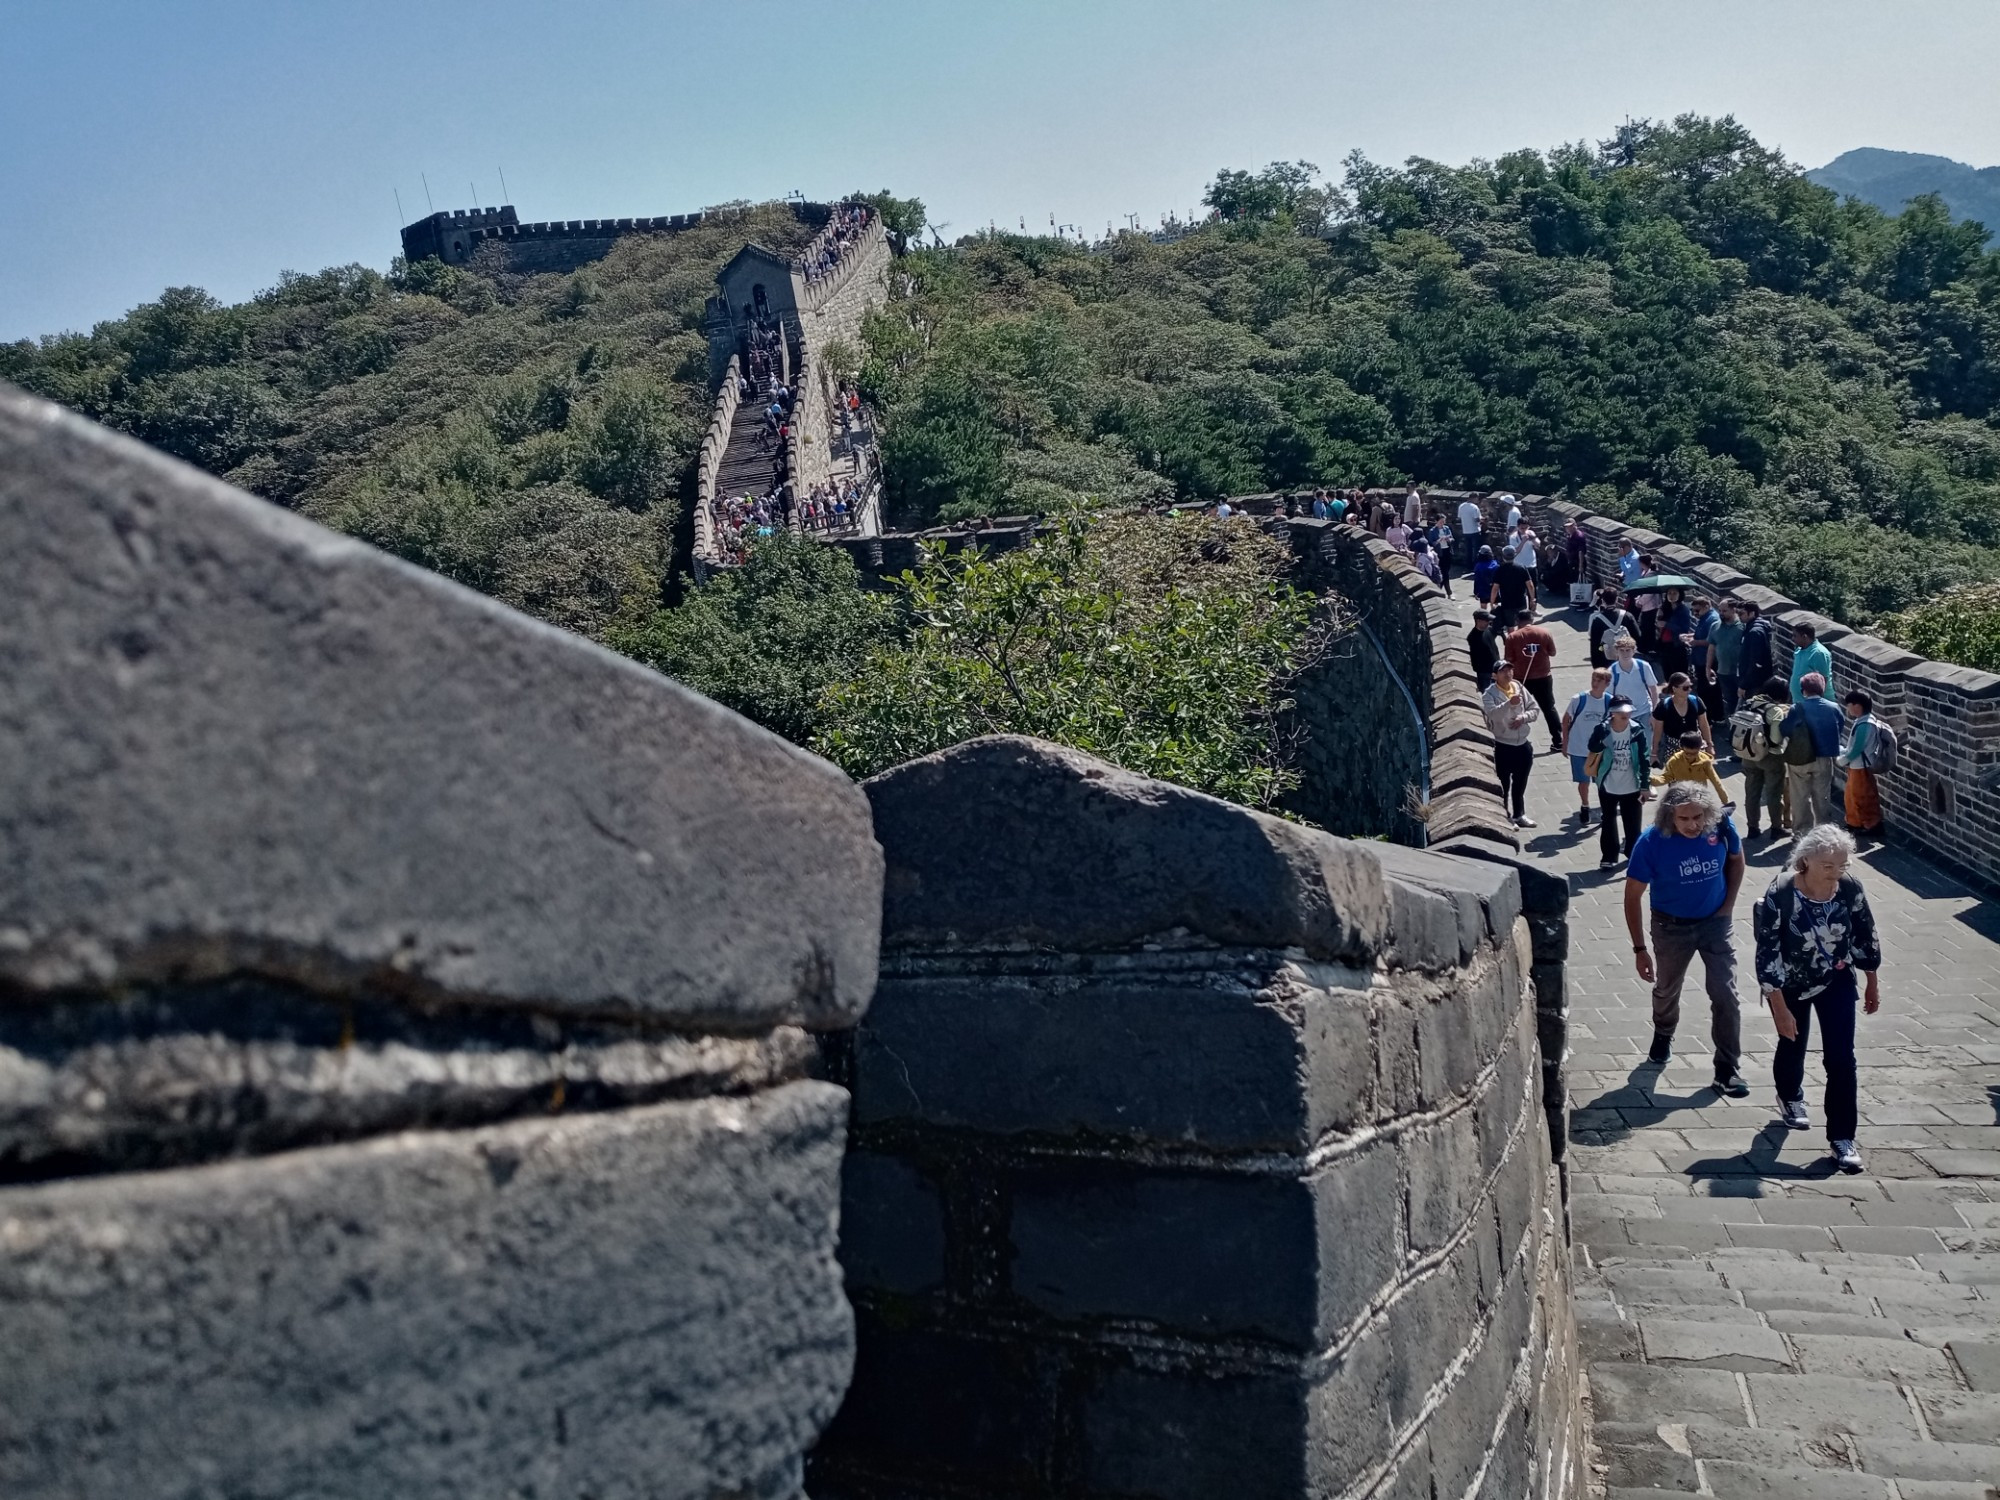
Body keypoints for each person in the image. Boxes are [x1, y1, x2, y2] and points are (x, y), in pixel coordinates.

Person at [1754, 825, 1882, 1174]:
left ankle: (1842, 1137)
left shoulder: (1849, 888)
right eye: (1828, 865)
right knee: (1792, 1041)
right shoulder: (1781, 893)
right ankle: (1790, 1096)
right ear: (1805, 860)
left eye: (1842, 865)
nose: (1836, 872)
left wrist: (1871, 980)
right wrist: (1778, 1006)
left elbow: (1865, 933)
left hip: (1836, 979)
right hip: (1790, 982)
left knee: (1842, 1059)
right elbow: (1768, 953)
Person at [1625, 782, 1748, 1092]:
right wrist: (1640, 948)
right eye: (1684, 819)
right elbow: (1632, 896)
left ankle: (1727, 1069)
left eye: (1698, 817)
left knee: (1726, 994)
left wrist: (1728, 906)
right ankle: (1664, 1032)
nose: (1693, 825)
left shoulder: (1720, 825)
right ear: (1670, 817)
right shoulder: (1651, 843)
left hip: (1714, 923)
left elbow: (1737, 860)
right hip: (1671, 926)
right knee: (1667, 988)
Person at [1591, 697, 1651, 867]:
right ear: (1612, 713)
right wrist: (1601, 740)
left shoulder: (1636, 730)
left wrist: (1645, 786)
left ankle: (1633, 854)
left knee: (1632, 823)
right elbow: (1592, 747)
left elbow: (1644, 758)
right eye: (1621, 711)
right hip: (1608, 783)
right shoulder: (1602, 728)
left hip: (1632, 785)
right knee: (1608, 820)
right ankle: (1609, 856)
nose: (1625, 714)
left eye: (1627, 711)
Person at [1482, 659, 1541, 829]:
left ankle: (1519, 814)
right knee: (1503, 784)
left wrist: (1523, 718)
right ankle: (1504, 816)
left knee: (1521, 782)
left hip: (1522, 743)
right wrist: (1509, 704)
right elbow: (1492, 715)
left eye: (1510, 670)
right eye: (1503, 671)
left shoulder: (1518, 687)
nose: (1508, 674)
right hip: (1502, 745)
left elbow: (1534, 709)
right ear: (1494, 676)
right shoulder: (1488, 695)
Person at [1781, 672, 1843, 834]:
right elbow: (1839, 729)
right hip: (1823, 758)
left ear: (1803, 690)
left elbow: (1785, 730)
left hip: (1799, 758)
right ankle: (1824, 830)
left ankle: (1802, 831)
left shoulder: (1796, 708)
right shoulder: (1833, 708)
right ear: (1822, 688)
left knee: (1799, 796)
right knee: (1822, 796)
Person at [1731, 676, 1792, 840]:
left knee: (1752, 793)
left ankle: (1752, 827)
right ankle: (1776, 827)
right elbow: (1776, 739)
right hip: (1770, 758)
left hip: (1748, 754)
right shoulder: (1774, 711)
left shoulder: (1748, 703)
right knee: (1774, 794)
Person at [1838, 689, 1898, 843]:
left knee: (1862, 797)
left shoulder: (1866, 725)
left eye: (1850, 705)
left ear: (1858, 706)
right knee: (1853, 796)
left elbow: (1857, 749)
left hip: (1861, 766)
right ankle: (1855, 823)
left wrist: (1842, 759)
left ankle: (1871, 824)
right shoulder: (1864, 722)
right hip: (1858, 765)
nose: (1848, 709)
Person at [1562, 667, 1614, 825]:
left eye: (1599, 680)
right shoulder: (1579, 699)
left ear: (1607, 683)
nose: (1595, 683)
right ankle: (1585, 805)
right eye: (1594, 679)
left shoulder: (1609, 701)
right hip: (1578, 747)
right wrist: (1565, 743)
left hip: (1599, 750)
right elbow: (1565, 720)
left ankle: (1605, 808)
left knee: (1602, 781)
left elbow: (1614, 724)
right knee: (1583, 782)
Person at [1504, 619, 1563, 752]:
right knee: (1549, 708)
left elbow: (1509, 658)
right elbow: (1552, 652)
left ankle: (1517, 740)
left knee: (1519, 708)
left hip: (1522, 678)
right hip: (1544, 676)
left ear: (1518, 622)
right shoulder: (1545, 632)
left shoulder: (1513, 637)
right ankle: (1558, 740)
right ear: (1532, 620)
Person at [1650, 671, 1713, 760]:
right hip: (1673, 749)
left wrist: (1709, 745)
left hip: (1695, 746)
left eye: (1691, 686)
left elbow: (1704, 725)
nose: (1690, 690)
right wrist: (1654, 752)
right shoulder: (1664, 706)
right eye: (1685, 688)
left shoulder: (1696, 701)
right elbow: (1658, 731)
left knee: (1697, 772)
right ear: (1674, 689)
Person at [1706, 599, 1747, 729]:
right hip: (1723, 671)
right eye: (1720, 610)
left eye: (1725, 611)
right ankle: (1733, 729)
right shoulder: (1715, 626)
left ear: (1733, 610)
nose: (1721, 613)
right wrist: (1708, 667)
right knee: (1730, 701)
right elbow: (1711, 648)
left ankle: (1745, 730)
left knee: (1744, 701)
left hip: (1740, 672)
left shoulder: (1742, 627)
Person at [1660, 730, 1729, 804]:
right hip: (1680, 796)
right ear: (1681, 748)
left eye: (1694, 753)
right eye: (1687, 753)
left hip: (1699, 797)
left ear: (1700, 748)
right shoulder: (1674, 761)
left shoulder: (1705, 762)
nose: (1690, 756)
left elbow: (1716, 781)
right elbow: (1666, 779)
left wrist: (1725, 801)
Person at [1607, 632, 1661, 720]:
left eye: (1628, 650)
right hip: (1622, 714)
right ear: (1617, 651)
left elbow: (1653, 690)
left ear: (1634, 651)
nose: (1625, 654)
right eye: (1622, 650)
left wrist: (1654, 712)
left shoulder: (1643, 666)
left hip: (1644, 711)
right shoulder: (1611, 671)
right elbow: (1608, 696)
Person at [1588, 588, 1641, 669]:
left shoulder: (1597, 620)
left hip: (1605, 659)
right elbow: (1637, 636)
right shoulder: (1627, 616)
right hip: (1626, 657)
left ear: (1603, 600)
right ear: (1616, 599)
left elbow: (1595, 644)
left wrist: (1596, 663)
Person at [1737, 600, 1774, 699]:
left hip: (1754, 684)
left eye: (1741, 613)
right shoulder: (1752, 628)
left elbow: (1755, 662)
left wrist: (1744, 685)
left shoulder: (1755, 632)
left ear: (1752, 613)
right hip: (1755, 681)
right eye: (1738, 613)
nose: (1739, 616)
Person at [1789, 621, 1834, 703]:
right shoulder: (1799, 650)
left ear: (1804, 637)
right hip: (1800, 701)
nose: (1793, 639)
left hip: (1814, 705)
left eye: (1795, 636)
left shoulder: (1819, 653)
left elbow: (1823, 680)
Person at [1492, 545, 1534, 627]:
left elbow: (1495, 588)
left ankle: (1512, 639)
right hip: (1521, 602)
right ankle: (1522, 638)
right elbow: (1530, 585)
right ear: (1514, 555)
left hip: (1507, 603)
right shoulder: (1522, 567)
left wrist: (1492, 602)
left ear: (1503, 556)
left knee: (1510, 626)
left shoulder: (1500, 570)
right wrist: (1532, 599)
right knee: (1523, 623)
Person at [1467, 608, 1501, 690]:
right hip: (1484, 673)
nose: (1489, 622)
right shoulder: (1473, 638)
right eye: (1487, 620)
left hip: (1494, 670)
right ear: (1478, 621)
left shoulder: (1488, 630)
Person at [1424, 513, 1455, 596]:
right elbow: (1431, 543)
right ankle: (1449, 592)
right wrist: (1438, 540)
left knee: (1446, 571)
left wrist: (1448, 539)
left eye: (1443, 522)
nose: (1442, 523)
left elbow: (1452, 539)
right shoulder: (1432, 531)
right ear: (1436, 521)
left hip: (1447, 551)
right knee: (1444, 572)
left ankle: (1439, 590)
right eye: (1441, 522)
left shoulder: (1446, 528)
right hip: (1439, 553)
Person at [1457, 494, 1486, 571]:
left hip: (1465, 530)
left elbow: (1459, 517)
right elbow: (1476, 519)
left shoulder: (1461, 506)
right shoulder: (1474, 507)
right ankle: (1475, 566)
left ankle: (1468, 565)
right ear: (1474, 498)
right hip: (1475, 530)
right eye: (1477, 499)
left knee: (1468, 549)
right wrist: (1482, 519)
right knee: (1476, 549)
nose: (1477, 500)